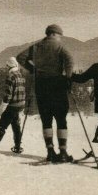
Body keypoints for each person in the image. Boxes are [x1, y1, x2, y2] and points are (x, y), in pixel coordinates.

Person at [16, 24, 74, 163]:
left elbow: (20, 57)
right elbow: (69, 61)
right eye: (59, 35)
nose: (60, 37)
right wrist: (68, 77)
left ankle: (50, 151)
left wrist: (33, 69)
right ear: (55, 34)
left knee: (46, 119)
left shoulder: (36, 46)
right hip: (57, 84)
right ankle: (63, 152)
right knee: (61, 118)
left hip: (41, 85)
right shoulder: (60, 46)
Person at [0, 57, 26, 153]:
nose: (6, 67)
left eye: (7, 66)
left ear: (10, 66)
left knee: (2, 124)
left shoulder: (10, 76)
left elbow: (8, 95)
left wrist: (1, 109)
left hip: (13, 105)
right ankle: (17, 146)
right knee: (15, 125)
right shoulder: (21, 75)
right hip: (21, 104)